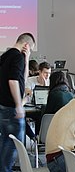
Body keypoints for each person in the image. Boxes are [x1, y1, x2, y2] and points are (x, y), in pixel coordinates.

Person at [0, 33, 35, 172]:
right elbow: (14, 81)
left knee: (5, 142)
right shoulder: (16, 57)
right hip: (11, 108)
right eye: (30, 49)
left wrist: (27, 59)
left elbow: (22, 79)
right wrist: (19, 105)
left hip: (3, 106)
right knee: (14, 145)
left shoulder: (5, 56)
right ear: (26, 45)